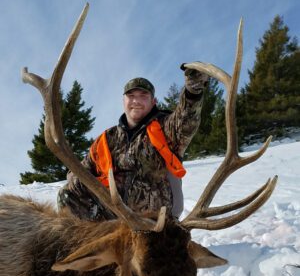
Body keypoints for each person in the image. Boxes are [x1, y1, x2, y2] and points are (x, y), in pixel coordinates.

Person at [57, 64, 209, 221]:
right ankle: (87, 241)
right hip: (115, 216)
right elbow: (82, 169)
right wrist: (76, 178)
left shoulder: (167, 129)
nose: (136, 101)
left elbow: (186, 121)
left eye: (143, 96)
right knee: (68, 192)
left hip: (154, 219)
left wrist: (193, 92)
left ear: (153, 101)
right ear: (123, 101)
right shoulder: (108, 138)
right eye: (131, 96)